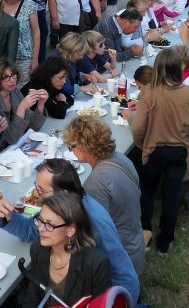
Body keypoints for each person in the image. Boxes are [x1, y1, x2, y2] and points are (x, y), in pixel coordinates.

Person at [0, 159, 139, 302]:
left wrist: (121, 301)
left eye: (41, 190)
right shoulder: (58, 212)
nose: (36, 195)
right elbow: (31, 230)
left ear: (63, 194)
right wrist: (10, 217)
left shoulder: (91, 222)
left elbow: (111, 274)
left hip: (110, 294)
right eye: (36, 188)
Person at [131, 47, 189, 254]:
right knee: (171, 195)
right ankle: (165, 241)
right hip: (179, 150)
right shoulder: (187, 92)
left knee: (147, 191)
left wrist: (140, 144)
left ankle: (146, 232)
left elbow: (138, 127)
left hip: (154, 149)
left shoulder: (149, 93)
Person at [62, 116, 144, 274]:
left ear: (85, 146)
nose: (70, 150)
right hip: (135, 248)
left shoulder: (96, 183)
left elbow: (88, 234)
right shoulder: (121, 158)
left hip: (119, 264)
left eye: (71, 146)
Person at [22, 192, 111, 308]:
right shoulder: (38, 250)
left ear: (70, 230)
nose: (41, 229)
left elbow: (102, 305)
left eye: (49, 225)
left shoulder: (96, 263)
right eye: (40, 220)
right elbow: (32, 298)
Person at [0, 58, 46, 148]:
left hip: (16, 146)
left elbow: (34, 127)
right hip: (0, 151)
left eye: (13, 75)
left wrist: (41, 104)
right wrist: (21, 108)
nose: (12, 80)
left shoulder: (15, 92)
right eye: (6, 77)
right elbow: (10, 139)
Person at [0, 0, 40, 80]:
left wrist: (35, 59)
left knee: (23, 86)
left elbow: (36, 33)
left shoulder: (29, 5)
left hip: (24, 57)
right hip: (3, 57)